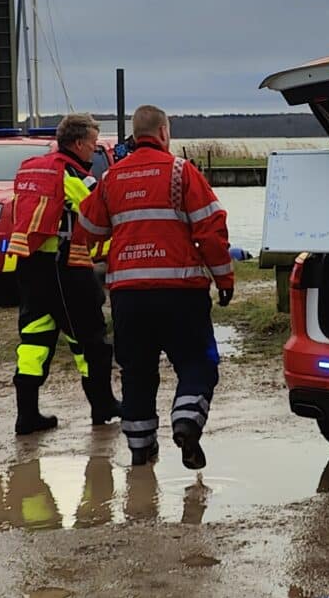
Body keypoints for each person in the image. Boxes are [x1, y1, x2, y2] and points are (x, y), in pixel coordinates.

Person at [76, 105, 233, 469]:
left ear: (134, 133)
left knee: (137, 372)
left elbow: (88, 228)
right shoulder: (182, 172)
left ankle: (141, 449)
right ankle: (187, 422)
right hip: (181, 292)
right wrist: (224, 279)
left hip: (129, 296)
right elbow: (211, 229)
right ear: (163, 132)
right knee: (198, 363)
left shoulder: (112, 178)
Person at [3, 114, 121, 435]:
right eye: (94, 146)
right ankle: (103, 406)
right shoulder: (72, 174)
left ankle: (27, 415)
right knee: (90, 339)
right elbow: (98, 209)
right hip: (65, 267)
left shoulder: (35, 168)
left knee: (34, 340)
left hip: (30, 265)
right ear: (80, 143)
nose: (94, 152)